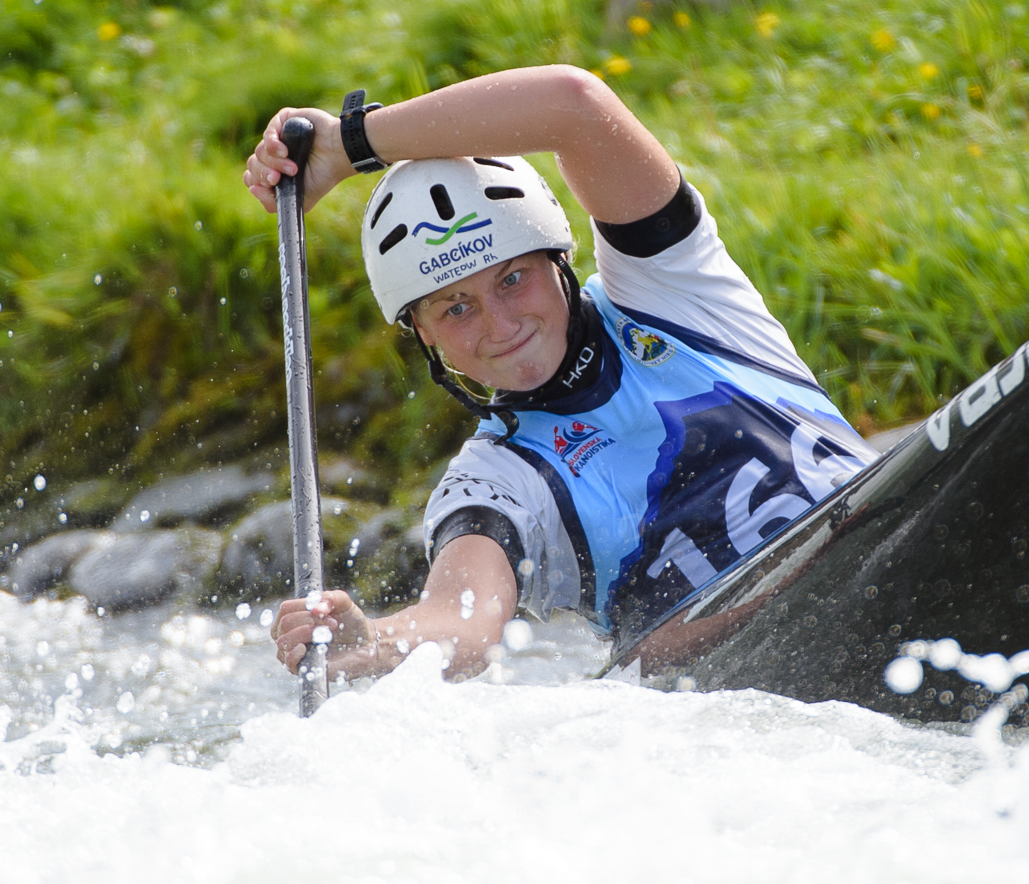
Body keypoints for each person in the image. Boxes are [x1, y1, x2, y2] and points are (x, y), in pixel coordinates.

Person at [243, 66, 877, 682]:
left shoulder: (671, 288)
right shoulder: (497, 482)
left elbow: (573, 103)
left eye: (512, 279)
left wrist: (352, 143)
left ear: (558, 262)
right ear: (423, 334)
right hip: (748, 694)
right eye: (455, 307)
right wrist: (376, 640)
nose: (500, 324)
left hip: (870, 534)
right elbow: (462, 625)